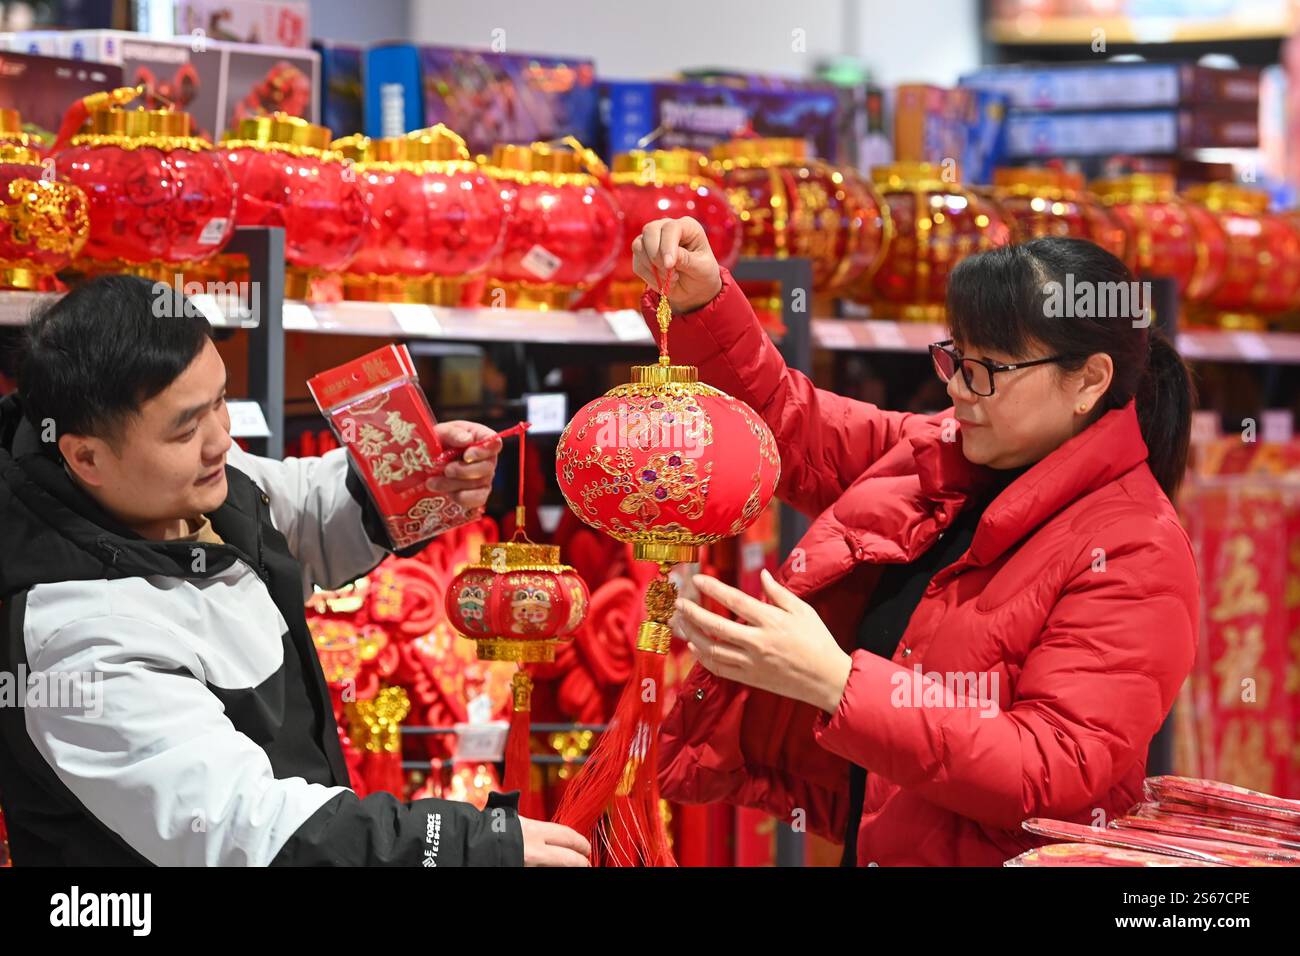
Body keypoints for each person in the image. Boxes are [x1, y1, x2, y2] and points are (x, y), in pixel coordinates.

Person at [632, 218, 1198, 866]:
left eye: (987, 370)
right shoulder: (942, 450)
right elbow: (790, 427)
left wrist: (837, 682)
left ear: (1089, 382)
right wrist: (702, 304)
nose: (957, 387)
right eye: (956, 358)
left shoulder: (1137, 550)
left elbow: (1051, 767)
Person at [0, 275, 590, 867]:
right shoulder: (77, 636)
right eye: (186, 428)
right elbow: (243, 829)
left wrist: (407, 479)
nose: (220, 440)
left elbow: (291, 510)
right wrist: (457, 845)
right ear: (85, 457)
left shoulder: (177, 487)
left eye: (221, 401)